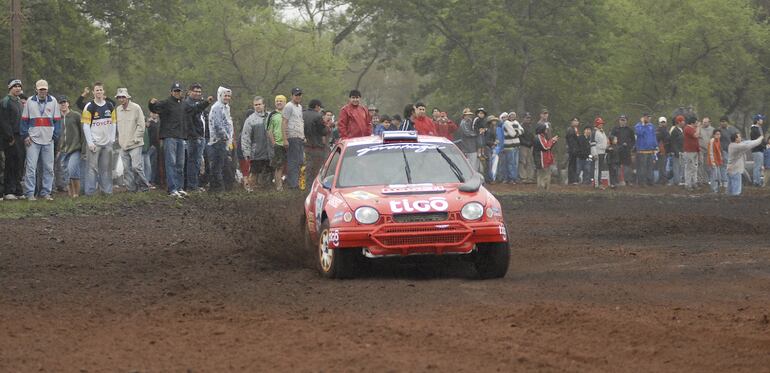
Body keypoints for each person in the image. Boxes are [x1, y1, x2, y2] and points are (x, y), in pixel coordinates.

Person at [21, 79, 61, 200]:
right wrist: (25, 136)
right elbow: (24, 120)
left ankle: (45, 193)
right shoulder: (30, 101)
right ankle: (30, 193)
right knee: (31, 168)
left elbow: (57, 121)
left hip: (48, 140)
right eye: (40, 89)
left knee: (49, 168)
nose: (42, 91)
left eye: (44, 89)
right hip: (33, 140)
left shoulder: (53, 101)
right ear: (36, 89)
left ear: (47, 89)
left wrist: (55, 136)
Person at [149, 82, 188, 197]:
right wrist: (150, 103)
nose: (177, 93)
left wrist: (206, 103)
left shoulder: (183, 104)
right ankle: (172, 189)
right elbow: (155, 109)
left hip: (181, 136)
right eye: (175, 91)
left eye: (179, 91)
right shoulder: (166, 103)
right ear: (171, 92)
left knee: (180, 164)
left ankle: (179, 187)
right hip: (169, 137)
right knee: (171, 163)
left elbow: (194, 109)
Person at [82, 82, 116, 196]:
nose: (99, 92)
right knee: (92, 169)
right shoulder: (89, 106)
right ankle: (90, 193)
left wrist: (112, 138)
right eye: (97, 90)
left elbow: (114, 123)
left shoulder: (110, 105)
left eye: (101, 90)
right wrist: (90, 142)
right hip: (94, 143)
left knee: (106, 168)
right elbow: (86, 125)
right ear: (93, 92)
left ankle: (107, 192)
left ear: (104, 91)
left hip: (107, 143)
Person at [115, 88, 149, 192]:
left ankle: (144, 187)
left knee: (136, 167)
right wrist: (119, 139)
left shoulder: (136, 108)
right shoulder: (118, 110)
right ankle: (131, 189)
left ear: (127, 97)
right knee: (126, 169)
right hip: (123, 144)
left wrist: (136, 138)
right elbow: (118, 126)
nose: (121, 99)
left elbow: (141, 125)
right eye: (119, 97)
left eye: (123, 97)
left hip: (135, 143)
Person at [184, 83, 213, 192]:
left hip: (202, 136)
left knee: (198, 162)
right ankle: (191, 185)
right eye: (195, 91)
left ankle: (195, 184)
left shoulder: (200, 103)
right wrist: (195, 135)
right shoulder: (188, 103)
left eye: (199, 92)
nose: (197, 93)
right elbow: (192, 116)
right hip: (193, 137)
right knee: (192, 161)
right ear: (189, 92)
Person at [0, 78, 25, 200]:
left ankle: (17, 189)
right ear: (10, 88)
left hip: (20, 136)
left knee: (19, 163)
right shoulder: (5, 101)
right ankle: (8, 190)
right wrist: (9, 137)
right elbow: (4, 121)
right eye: (15, 86)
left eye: (19, 86)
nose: (18, 88)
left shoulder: (19, 102)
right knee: (10, 163)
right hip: (10, 137)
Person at [241, 96, 272, 190]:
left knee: (269, 174)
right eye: (256, 105)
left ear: (263, 105)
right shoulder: (250, 120)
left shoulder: (271, 116)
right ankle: (249, 191)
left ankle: (266, 193)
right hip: (256, 153)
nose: (258, 106)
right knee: (254, 173)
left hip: (270, 152)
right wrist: (246, 152)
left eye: (259, 104)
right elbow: (245, 137)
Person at [207, 86, 233, 193]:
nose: (227, 97)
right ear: (220, 95)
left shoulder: (226, 107)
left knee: (222, 165)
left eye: (228, 96)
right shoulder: (217, 107)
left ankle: (216, 189)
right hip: (218, 141)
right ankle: (218, 189)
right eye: (225, 95)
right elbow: (218, 125)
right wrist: (225, 136)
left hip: (225, 141)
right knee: (218, 166)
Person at [58, 96, 86, 197]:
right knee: (66, 174)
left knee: (73, 169)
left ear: (68, 103)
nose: (63, 104)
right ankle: (71, 195)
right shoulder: (57, 118)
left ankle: (76, 194)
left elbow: (83, 133)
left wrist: (84, 149)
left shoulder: (76, 115)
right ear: (58, 105)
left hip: (75, 149)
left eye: (64, 102)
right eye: (61, 103)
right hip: (63, 150)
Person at [282, 87, 304, 190]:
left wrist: (303, 136)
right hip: (292, 136)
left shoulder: (299, 107)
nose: (298, 96)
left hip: (299, 136)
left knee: (300, 160)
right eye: (296, 95)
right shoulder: (288, 106)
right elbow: (284, 122)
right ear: (292, 96)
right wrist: (285, 138)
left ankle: (297, 182)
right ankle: (293, 184)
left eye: (299, 94)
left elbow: (300, 121)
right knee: (293, 161)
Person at [266, 95, 286, 191]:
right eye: (277, 101)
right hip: (278, 144)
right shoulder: (272, 115)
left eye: (281, 101)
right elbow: (269, 130)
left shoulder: (288, 113)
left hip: (289, 144)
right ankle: (279, 187)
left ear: (285, 102)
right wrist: (274, 143)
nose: (279, 102)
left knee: (288, 166)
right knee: (279, 166)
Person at [610, 114, 635, 185]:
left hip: (626, 150)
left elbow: (633, 140)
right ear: (619, 121)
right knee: (617, 166)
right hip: (617, 151)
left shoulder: (629, 130)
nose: (622, 121)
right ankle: (617, 181)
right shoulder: (615, 129)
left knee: (627, 166)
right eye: (621, 120)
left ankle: (628, 181)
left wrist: (629, 146)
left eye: (624, 120)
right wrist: (615, 146)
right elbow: (611, 138)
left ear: (626, 121)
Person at [533, 123, 558, 191]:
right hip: (541, 160)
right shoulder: (538, 137)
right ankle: (542, 190)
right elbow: (545, 147)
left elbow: (548, 147)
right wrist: (552, 141)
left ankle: (544, 189)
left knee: (545, 174)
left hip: (545, 159)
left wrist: (553, 141)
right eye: (545, 129)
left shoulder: (542, 137)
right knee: (543, 175)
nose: (547, 130)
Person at [634, 113, 657, 186]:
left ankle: (650, 181)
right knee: (642, 167)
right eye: (647, 117)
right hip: (642, 150)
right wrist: (643, 124)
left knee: (650, 167)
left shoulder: (651, 126)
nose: (648, 119)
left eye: (649, 117)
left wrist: (655, 146)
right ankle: (642, 182)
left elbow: (654, 136)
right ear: (643, 118)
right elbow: (639, 133)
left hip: (650, 150)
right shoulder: (638, 125)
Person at [501, 111, 524, 183]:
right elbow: (512, 134)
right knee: (510, 162)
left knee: (516, 163)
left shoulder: (516, 122)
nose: (513, 117)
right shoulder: (506, 123)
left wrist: (517, 131)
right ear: (509, 116)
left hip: (516, 145)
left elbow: (522, 131)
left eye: (514, 115)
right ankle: (511, 178)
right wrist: (517, 131)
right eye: (511, 115)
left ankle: (515, 177)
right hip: (509, 145)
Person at [718, 116, 738, 190]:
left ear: (727, 122)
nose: (722, 123)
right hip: (724, 150)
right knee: (724, 166)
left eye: (724, 121)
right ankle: (725, 181)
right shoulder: (719, 130)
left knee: (732, 166)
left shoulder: (733, 129)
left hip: (733, 150)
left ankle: (731, 181)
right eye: (721, 121)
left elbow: (737, 137)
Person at [682, 116, 700, 191]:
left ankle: (694, 183)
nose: (697, 123)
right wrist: (698, 127)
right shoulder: (688, 128)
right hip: (689, 151)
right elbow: (696, 135)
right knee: (689, 168)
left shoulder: (693, 129)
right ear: (692, 122)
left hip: (694, 151)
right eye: (696, 122)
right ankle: (688, 184)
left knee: (694, 168)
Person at [591, 117, 609, 189]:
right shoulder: (594, 132)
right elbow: (592, 144)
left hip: (603, 152)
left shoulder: (602, 131)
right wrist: (594, 154)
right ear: (596, 124)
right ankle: (596, 184)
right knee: (597, 168)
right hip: (597, 152)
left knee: (600, 168)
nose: (601, 125)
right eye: (600, 124)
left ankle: (599, 182)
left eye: (602, 124)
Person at [668, 115, 685, 186]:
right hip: (677, 152)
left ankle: (680, 180)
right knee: (676, 167)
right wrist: (676, 152)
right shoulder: (674, 130)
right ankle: (676, 181)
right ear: (679, 122)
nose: (684, 122)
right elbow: (673, 142)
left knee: (681, 166)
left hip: (682, 151)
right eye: (683, 121)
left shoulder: (681, 130)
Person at [518, 112, 535, 183]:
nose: (528, 119)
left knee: (530, 161)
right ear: (523, 118)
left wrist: (532, 143)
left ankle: (530, 177)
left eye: (529, 118)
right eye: (527, 118)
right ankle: (523, 177)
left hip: (530, 146)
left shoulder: (531, 126)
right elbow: (520, 137)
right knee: (522, 161)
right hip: (523, 146)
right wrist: (526, 143)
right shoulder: (520, 126)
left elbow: (533, 136)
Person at [697, 116, 715, 185]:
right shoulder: (700, 129)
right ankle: (700, 180)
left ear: (709, 122)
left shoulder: (713, 129)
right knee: (700, 164)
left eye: (705, 122)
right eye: (703, 122)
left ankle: (706, 180)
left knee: (707, 165)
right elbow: (697, 135)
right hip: (701, 149)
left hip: (708, 150)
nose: (704, 123)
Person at [749, 114, 765, 187]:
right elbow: (757, 141)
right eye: (761, 119)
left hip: (759, 150)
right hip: (757, 150)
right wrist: (763, 146)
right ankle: (756, 182)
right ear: (757, 120)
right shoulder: (754, 129)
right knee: (757, 166)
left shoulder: (758, 128)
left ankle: (758, 181)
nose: (762, 120)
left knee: (758, 166)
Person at [706, 129, 723, 193]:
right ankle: (714, 189)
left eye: (719, 134)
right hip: (713, 162)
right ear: (714, 135)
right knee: (714, 176)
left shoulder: (718, 141)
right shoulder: (712, 141)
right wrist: (712, 162)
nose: (718, 136)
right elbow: (710, 152)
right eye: (717, 134)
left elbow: (718, 151)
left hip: (717, 162)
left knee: (718, 176)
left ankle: (717, 189)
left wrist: (720, 159)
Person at [566, 117, 580, 184]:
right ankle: (571, 180)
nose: (576, 122)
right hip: (572, 150)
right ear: (571, 122)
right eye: (574, 121)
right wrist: (573, 149)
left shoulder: (576, 129)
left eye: (577, 121)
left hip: (576, 149)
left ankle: (574, 179)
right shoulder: (570, 129)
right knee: (571, 164)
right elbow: (570, 141)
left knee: (574, 165)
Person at [655, 116, 670, 184]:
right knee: (661, 165)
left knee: (663, 165)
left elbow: (668, 139)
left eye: (664, 122)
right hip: (660, 149)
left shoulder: (666, 130)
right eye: (661, 122)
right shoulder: (658, 130)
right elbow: (658, 138)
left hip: (665, 149)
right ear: (659, 123)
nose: (663, 123)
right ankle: (662, 179)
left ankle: (663, 179)